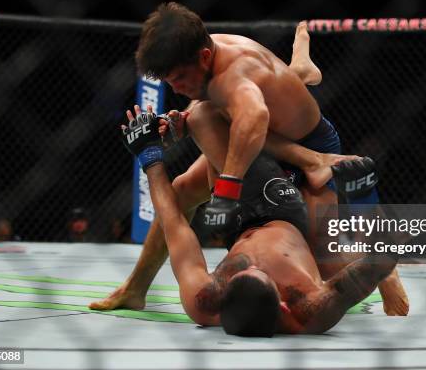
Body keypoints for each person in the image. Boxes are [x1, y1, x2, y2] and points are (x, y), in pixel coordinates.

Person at [89, 17, 408, 316]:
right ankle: (135, 288)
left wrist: (227, 192)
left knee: (328, 264)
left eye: (180, 79)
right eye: (171, 82)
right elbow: (207, 98)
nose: (176, 88)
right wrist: (181, 119)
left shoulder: (234, 73)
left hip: (307, 142)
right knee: (184, 185)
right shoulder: (202, 51)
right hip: (261, 134)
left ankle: (385, 266)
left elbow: (254, 120)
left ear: (202, 57)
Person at [114, 109, 398, 336]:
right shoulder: (313, 308)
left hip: (243, 216)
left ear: (222, 300)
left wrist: (149, 156)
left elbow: (173, 221)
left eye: (243, 268)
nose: (254, 262)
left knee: (206, 117)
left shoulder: (204, 300)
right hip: (289, 217)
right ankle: (312, 154)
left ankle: (296, 83)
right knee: (335, 260)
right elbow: (384, 258)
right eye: (262, 272)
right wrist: (364, 197)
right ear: (285, 308)